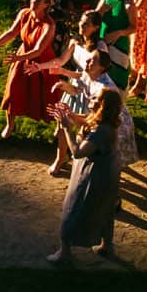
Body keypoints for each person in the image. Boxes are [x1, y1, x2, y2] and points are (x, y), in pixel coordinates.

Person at [46, 81, 124, 265]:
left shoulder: (101, 132)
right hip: (107, 175)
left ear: (103, 105)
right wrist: (68, 114)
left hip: (93, 177)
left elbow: (77, 151)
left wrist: (66, 126)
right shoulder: (105, 123)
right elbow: (85, 119)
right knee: (105, 209)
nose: (91, 98)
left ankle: (64, 252)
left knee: (73, 207)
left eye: (96, 98)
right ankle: (107, 245)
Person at [0, 0, 65, 142]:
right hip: (23, 55)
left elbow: (38, 50)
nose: (33, 2)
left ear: (46, 4)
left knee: (50, 96)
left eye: (38, 0)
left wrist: (18, 58)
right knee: (13, 89)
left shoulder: (49, 25)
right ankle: (10, 125)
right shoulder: (24, 13)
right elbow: (11, 32)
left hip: (43, 62)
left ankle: (60, 126)